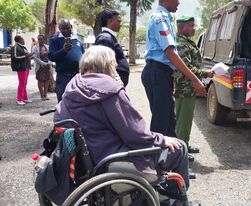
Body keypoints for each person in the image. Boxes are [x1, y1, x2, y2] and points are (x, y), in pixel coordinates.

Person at [53, 45, 191, 191]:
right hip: (113, 159)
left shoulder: (72, 86)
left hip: (84, 162)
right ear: (107, 65)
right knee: (179, 148)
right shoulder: (110, 89)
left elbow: (58, 119)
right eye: (114, 63)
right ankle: (175, 199)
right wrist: (162, 139)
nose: (117, 66)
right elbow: (136, 135)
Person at [141, 0, 206, 151]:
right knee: (161, 123)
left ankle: (173, 162)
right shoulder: (160, 19)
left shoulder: (165, 18)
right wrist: (195, 80)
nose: (179, 2)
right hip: (157, 72)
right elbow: (170, 53)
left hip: (162, 73)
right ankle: (157, 166)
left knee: (170, 121)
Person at [174, 15, 213, 155]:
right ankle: (180, 151)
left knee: (186, 119)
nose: (194, 28)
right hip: (183, 88)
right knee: (183, 120)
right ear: (180, 27)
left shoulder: (186, 42)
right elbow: (186, 67)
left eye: (193, 25)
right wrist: (206, 73)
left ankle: (184, 144)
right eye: (190, 25)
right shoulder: (181, 44)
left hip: (188, 87)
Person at [48, 19, 84, 102]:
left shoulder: (77, 40)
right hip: (63, 77)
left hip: (78, 77)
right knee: (63, 102)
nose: (65, 30)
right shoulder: (55, 40)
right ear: (59, 29)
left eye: (67, 28)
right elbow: (51, 57)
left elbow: (83, 55)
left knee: (78, 102)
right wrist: (64, 50)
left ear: (71, 27)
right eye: (63, 29)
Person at [95, 9, 130, 86]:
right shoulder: (105, 39)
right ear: (110, 21)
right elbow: (104, 66)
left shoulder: (110, 37)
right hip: (112, 84)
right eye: (118, 21)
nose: (120, 24)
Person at [10, 35, 33, 105]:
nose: (24, 40)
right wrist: (27, 56)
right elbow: (15, 57)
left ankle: (24, 98)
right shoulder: (15, 47)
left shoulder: (23, 47)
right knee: (22, 83)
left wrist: (30, 56)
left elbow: (25, 56)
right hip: (21, 68)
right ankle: (19, 99)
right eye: (23, 39)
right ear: (20, 40)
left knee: (24, 83)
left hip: (26, 67)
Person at [32, 35, 52, 100]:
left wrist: (49, 62)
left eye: (41, 39)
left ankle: (46, 95)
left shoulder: (47, 46)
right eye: (39, 39)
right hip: (40, 66)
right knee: (40, 80)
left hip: (47, 66)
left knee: (46, 80)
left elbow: (50, 55)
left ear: (44, 39)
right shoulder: (35, 47)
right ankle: (42, 95)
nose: (40, 41)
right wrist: (43, 63)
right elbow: (35, 58)